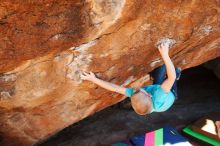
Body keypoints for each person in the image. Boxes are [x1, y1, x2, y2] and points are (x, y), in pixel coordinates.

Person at [80, 42, 181, 115]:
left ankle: (160, 75)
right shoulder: (159, 96)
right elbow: (171, 78)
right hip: (171, 94)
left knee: (159, 70)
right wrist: (165, 54)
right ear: (149, 95)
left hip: (157, 90)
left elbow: (114, 88)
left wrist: (94, 79)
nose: (138, 88)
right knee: (168, 71)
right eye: (141, 90)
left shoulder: (137, 95)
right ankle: (177, 72)